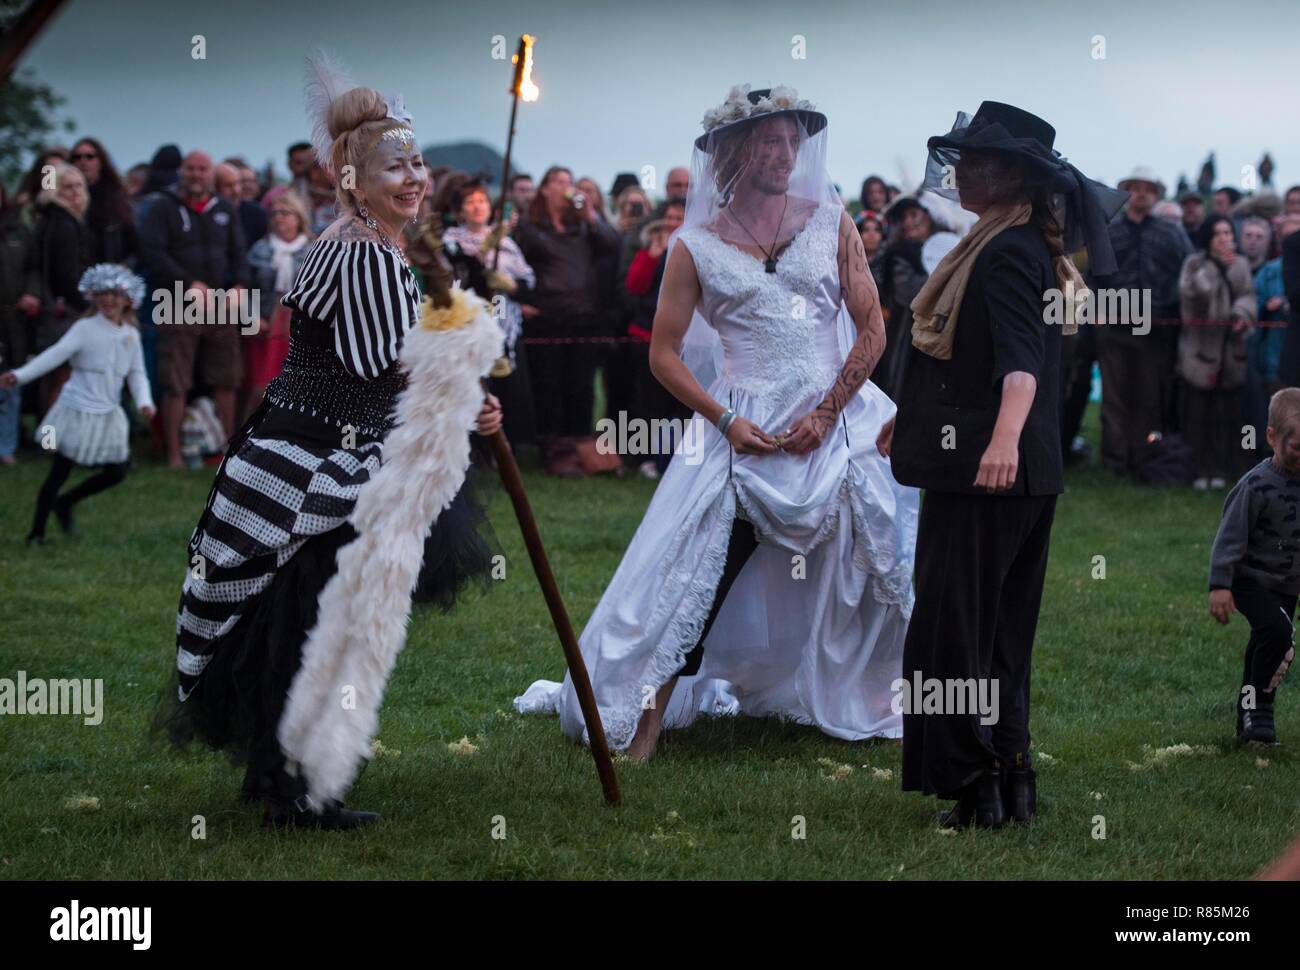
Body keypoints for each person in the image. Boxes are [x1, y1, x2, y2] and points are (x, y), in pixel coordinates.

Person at [517, 85, 918, 760]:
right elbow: (664, 354)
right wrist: (725, 418)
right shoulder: (694, 245)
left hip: (838, 420)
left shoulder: (831, 219)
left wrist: (828, 411)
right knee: (698, 570)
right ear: (733, 150)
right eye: (770, 140)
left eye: (793, 140)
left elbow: (873, 323)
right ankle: (646, 713)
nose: (785, 153)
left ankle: (874, 690)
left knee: (881, 558)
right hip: (743, 427)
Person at [161, 55, 502, 830]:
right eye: (395, 167)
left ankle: (282, 777)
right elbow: (383, 366)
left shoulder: (363, 242)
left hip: (309, 452)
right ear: (354, 180)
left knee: (298, 619)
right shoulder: (361, 253)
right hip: (313, 473)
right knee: (311, 624)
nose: (414, 178)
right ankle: (292, 786)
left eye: (418, 161)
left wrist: (462, 381)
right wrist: (462, 386)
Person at [881, 101, 1124, 828]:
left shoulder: (1009, 251)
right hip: (1007, 469)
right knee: (995, 631)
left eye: (980, 162)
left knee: (955, 633)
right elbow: (977, 355)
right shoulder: (1011, 244)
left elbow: (1021, 366)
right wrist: (913, 415)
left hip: (990, 473)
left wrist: (1000, 443)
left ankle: (972, 785)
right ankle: (1010, 779)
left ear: (1013, 177)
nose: (962, 172)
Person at [1, 264, 153, 543]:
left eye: (114, 294)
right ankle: (36, 532)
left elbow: (137, 373)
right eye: (102, 294)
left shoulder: (131, 334)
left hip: (107, 412)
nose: (108, 300)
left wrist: (145, 402)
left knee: (116, 471)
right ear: (93, 296)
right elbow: (54, 355)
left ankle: (66, 502)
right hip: (76, 410)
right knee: (60, 469)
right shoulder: (84, 328)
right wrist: (19, 376)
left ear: (128, 298)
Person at [138, 149, 251, 466]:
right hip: (174, 299)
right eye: (190, 168)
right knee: (175, 379)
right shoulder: (163, 207)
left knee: (227, 376)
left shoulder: (225, 209)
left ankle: (229, 447)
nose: (197, 174)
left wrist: (241, 285)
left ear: (211, 173)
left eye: (203, 169)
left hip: (220, 301)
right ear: (181, 172)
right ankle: (173, 453)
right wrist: (187, 283)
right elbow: (152, 252)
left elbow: (239, 253)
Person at [514, 166, 622, 476]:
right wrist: (519, 303)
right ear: (545, 189)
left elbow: (613, 245)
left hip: (583, 317)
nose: (566, 186)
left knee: (582, 386)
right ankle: (555, 449)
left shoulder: (583, 227)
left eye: (569, 181)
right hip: (546, 320)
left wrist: (590, 214)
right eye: (558, 181)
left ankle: (584, 448)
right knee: (549, 386)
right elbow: (509, 266)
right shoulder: (530, 228)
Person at [1208, 387, 1300, 746]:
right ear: (1272, 437)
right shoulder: (1256, 485)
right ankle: (1259, 707)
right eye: (1296, 447)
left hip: (1287, 583)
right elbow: (1229, 538)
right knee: (1278, 634)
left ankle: (1251, 721)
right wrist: (1220, 585)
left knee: (1267, 642)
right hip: (1251, 581)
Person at [1093, 165, 1191, 477]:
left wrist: (1173, 311)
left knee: (1149, 397)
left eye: (1148, 189)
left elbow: (1186, 274)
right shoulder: (1109, 230)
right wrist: (1093, 310)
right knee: (1114, 397)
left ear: (1156, 195)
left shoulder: (1170, 233)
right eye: (1136, 188)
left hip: (1155, 327)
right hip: (1113, 325)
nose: (1142, 194)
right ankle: (1115, 462)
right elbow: (1091, 275)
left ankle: (1146, 459)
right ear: (1127, 192)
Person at [1178, 214, 1256, 488]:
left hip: (1230, 352)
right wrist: (1214, 266)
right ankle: (1199, 470)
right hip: (1200, 351)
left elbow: (1248, 295)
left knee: (1228, 416)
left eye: (1228, 233)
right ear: (1208, 237)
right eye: (1218, 233)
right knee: (1197, 415)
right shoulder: (1194, 263)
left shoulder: (1242, 265)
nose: (1225, 238)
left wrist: (1240, 313)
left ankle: (1223, 470)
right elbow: (1192, 293)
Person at [241, 189, 312, 420]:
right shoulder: (259, 249)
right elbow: (245, 287)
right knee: (261, 381)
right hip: (264, 322)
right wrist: (251, 316)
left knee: (300, 382)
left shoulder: (314, 249)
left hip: (302, 326)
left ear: (299, 217)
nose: (279, 218)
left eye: (285, 213)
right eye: (274, 213)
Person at [32, 162, 94, 414]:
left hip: (56, 307)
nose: (75, 191)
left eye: (79, 185)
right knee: (63, 375)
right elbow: (65, 275)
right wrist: (87, 306)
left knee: (56, 374)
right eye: (67, 186)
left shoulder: (55, 219)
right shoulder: (64, 224)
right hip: (65, 310)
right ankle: (52, 439)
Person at [0, 183, 41, 466]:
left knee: (10, 383)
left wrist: (32, 292)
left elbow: (34, 267)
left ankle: (6, 448)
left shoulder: (18, 229)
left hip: (12, 319)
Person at [69, 137, 138, 265]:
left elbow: (135, 244)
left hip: (110, 275)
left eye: (89, 156)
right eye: (77, 157)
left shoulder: (118, 201)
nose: (83, 161)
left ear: (101, 161)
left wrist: (124, 267)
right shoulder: (65, 200)